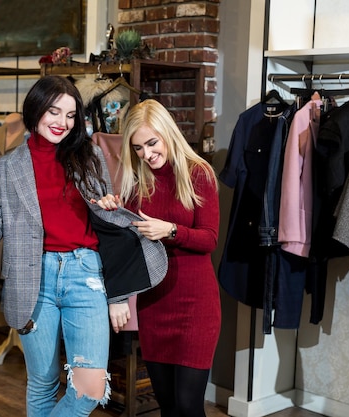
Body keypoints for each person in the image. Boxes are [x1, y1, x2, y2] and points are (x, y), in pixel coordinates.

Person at [0, 75, 113, 416]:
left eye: (71, 115)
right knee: (42, 382)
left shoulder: (90, 156)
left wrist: (114, 212)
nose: (62, 122)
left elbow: (110, 224)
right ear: (35, 109)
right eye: (54, 112)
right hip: (33, 278)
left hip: (85, 273)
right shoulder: (6, 166)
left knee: (90, 389)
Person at [96, 99, 221, 417]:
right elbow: (124, 240)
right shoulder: (136, 183)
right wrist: (112, 208)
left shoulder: (198, 174)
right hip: (154, 304)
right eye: (138, 148)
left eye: (152, 143)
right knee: (167, 408)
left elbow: (209, 239)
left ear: (168, 133)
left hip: (196, 306)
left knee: (189, 407)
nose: (147, 154)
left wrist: (171, 231)